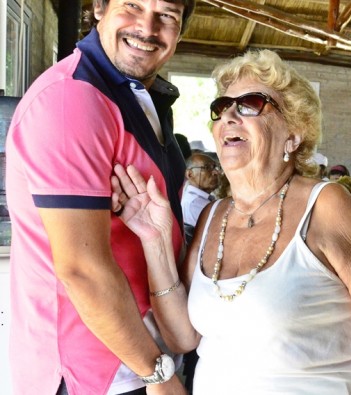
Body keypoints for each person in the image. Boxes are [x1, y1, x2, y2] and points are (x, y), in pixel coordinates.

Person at [111, 49, 351, 393]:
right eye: (221, 108)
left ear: (293, 135)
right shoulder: (213, 216)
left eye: (250, 103)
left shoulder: (326, 205)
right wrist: (156, 239)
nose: (229, 116)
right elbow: (182, 337)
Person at [6, 1, 196, 393]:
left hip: (144, 356)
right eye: (133, 6)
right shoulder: (72, 100)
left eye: (167, 16)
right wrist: (157, 375)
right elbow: (82, 270)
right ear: (98, 8)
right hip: (97, 374)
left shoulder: (138, 97)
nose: (147, 28)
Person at [182, 153, 221, 229]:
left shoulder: (195, 199)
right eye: (207, 167)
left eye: (215, 167)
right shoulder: (195, 203)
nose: (216, 172)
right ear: (190, 174)